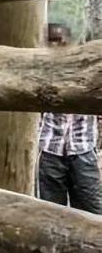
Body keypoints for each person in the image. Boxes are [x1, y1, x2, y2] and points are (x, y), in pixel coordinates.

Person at [37, 23, 102, 215]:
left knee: (91, 211)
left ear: (70, 44)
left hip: (83, 151)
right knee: (50, 212)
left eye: (61, 40)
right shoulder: (41, 72)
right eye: (52, 41)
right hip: (51, 151)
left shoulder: (86, 70)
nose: (57, 46)